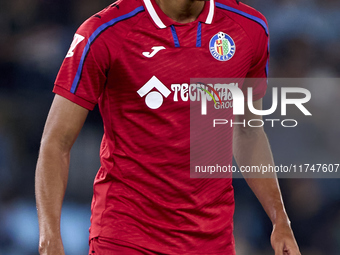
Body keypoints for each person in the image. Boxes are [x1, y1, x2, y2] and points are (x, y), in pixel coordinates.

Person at [35, 0, 301, 254]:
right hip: (126, 237)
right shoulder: (105, 31)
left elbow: (247, 131)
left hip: (211, 240)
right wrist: (50, 239)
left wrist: (280, 219)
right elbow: (56, 142)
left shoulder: (249, 28)